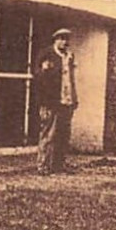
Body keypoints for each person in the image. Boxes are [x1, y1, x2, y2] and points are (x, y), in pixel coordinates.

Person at [33, 28, 79, 174]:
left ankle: (59, 164)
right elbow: (38, 76)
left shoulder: (69, 56)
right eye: (61, 38)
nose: (65, 42)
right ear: (55, 39)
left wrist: (74, 98)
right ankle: (43, 165)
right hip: (50, 101)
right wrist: (45, 71)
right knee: (48, 134)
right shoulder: (47, 54)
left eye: (67, 39)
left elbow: (71, 79)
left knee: (63, 134)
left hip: (67, 101)